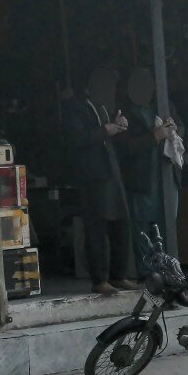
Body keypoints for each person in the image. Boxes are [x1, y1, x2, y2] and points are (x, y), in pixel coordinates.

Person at [61, 68, 138, 295]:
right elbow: (77, 138)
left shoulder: (103, 107)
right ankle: (100, 279)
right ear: (88, 87)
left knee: (121, 224)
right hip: (92, 176)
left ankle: (119, 275)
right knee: (96, 228)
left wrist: (118, 125)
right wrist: (107, 129)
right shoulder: (74, 108)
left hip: (111, 173)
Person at [118, 68, 183, 280]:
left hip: (165, 178)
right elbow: (125, 147)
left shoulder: (164, 106)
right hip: (142, 180)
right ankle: (149, 275)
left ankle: (170, 273)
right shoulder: (125, 114)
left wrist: (174, 129)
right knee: (142, 227)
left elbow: (181, 129)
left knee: (166, 226)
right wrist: (154, 136)